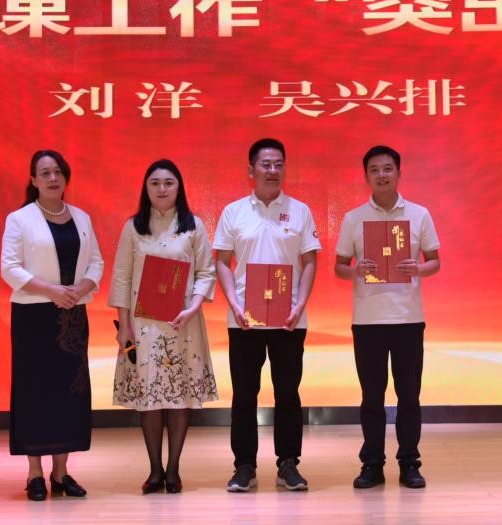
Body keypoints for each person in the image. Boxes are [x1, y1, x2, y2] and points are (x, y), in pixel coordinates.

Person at [214, 137, 321, 493]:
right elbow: (222, 262)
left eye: (278, 164)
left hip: (289, 319)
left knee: (288, 392)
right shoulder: (233, 212)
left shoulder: (300, 211)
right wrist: (234, 304)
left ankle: (288, 463)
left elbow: (309, 261)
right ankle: (244, 466)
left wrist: (300, 305)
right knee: (245, 394)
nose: (273, 170)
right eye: (265, 164)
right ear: (251, 170)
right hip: (244, 319)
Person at [0, 149, 104, 501]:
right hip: (34, 316)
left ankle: (61, 472)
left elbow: (97, 263)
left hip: (72, 315)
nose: (53, 178)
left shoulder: (82, 217)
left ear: (66, 177)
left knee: (69, 392)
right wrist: (52, 291)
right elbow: (9, 268)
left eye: (58, 172)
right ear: (34, 180)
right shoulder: (20, 219)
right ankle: (34, 473)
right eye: (45, 173)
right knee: (35, 391)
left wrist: (80, 290)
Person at [334, 145, 441, 490]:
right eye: (375, 170)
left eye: (388, 169)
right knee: (372, 397)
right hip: (368, 321)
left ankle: (409, 463)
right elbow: (339, 267)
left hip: (408, 318)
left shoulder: (419, 214)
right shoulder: (353, 218)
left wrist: (418, 269)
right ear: (366, 176)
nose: (382, 175)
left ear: (398, 173)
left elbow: (435, 261)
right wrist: (356, 271)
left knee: (409, 395)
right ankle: (372, 464)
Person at [109, 159, 219, 494]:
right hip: (143, 326)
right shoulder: (133, 227)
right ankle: (155, 470)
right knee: (150, 397)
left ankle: (173, 470)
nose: (161, 189)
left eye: (168, 182)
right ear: (146, 188)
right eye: (155, 183)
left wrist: (194, 306)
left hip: (183, 323)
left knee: (179, 396)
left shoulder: (193, 226)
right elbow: (122, 278)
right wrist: (124, 326)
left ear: (179, 187)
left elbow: (206, 272)